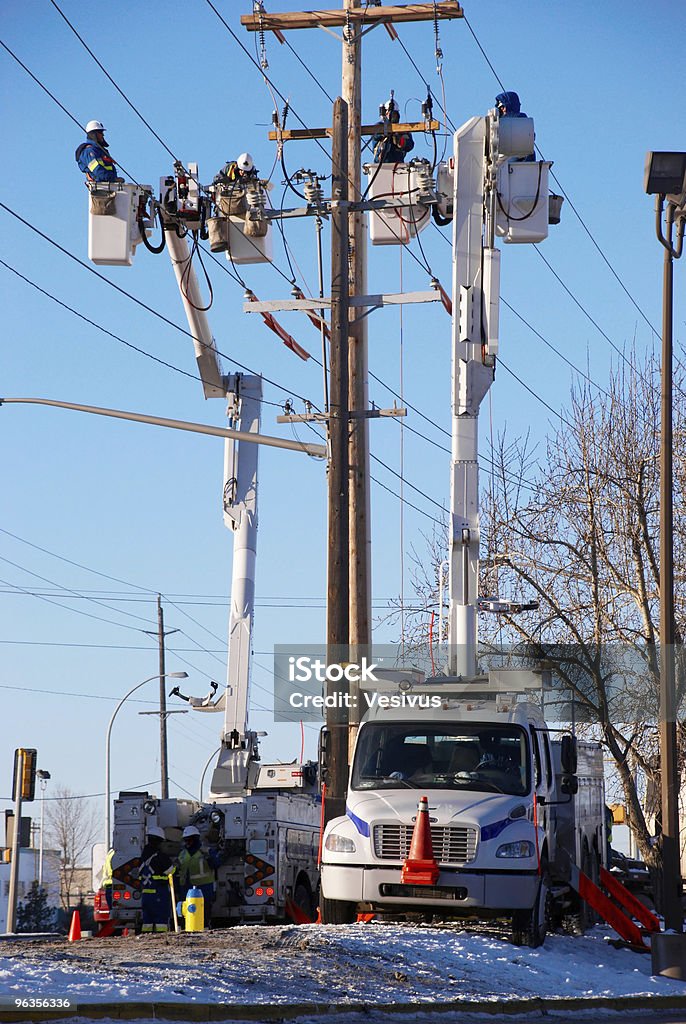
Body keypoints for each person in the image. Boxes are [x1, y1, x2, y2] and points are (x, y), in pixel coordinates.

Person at [176, 825, 219, 926]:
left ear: (195, 839)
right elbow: (177, 872)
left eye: (189, 840)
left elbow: (216, 864)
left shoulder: (207, 851)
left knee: (204, 914)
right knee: (187, 915)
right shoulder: (182, 854)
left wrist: (209, 857)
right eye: (186, 840)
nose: (187, 843)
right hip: (186, 890)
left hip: (204, 889)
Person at [136, 826, 173, 934]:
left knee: (147, 922)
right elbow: (170, 871)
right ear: (159, 841)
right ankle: (161, 940)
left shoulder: (142, 857)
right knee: (161, 921)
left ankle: (147, 938)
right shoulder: (160, 857)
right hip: (159, 894)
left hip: (146, 895)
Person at [372, 96, 414, 164]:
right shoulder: (379, 126)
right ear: (385, 113)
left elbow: (410, 145)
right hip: (380, 166)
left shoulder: (403, 130)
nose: (394, 117)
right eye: (392, 114)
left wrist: (400, 140)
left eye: (395, 114)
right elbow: (376, 136)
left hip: (398, 167)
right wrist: (388, 128)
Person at [494, 92, 535, 161]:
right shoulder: (524, 120)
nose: (501, 110)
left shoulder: (498, 124)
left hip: (506, 164)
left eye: (502, 107)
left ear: (505, 107)